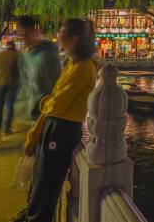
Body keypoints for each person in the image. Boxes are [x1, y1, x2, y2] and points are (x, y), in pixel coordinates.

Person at [14, 19, 97, 222]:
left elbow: (56, 104)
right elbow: (55, 100)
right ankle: (31, 214)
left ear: (74, 39)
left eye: (61, 33)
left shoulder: (81, 68)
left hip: (62, 130)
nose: (57, 36)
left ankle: (36, 217)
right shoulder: (73, 64)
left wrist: (44, 103)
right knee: (41, 178)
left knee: (46, 182)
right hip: (57, 126)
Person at [18, 16, 61, 121]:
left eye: (27, 34)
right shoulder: (27, 54)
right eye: (22, 35)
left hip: (46, 110)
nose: (25, 39)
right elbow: (27, 81)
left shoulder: (47, 54)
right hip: (33, 108)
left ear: (34, 31)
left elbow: (54, 85)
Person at [0, 41, 22, 143]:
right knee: (10, 106)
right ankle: (6, 129)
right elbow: (22, 70)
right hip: (13, 83)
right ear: (14, 47)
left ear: (6, 47)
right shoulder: (18, 56)